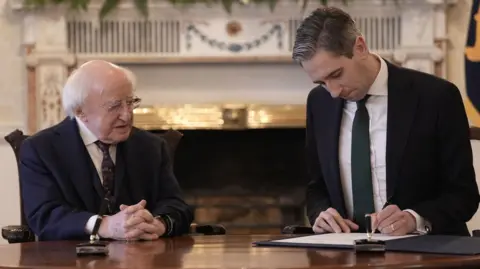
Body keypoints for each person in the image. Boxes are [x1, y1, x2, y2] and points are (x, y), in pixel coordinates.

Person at [293, 7, 480, 236]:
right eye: (321, 82)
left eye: (336, 74)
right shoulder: (318, 103)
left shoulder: (437, 97)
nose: (332, 92)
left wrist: (415, 219)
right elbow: (316, 188)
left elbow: (464, 196)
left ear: (360, 47)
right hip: (346, 255)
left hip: (429, 253)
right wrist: (320, 214)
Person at [19, 60, 194, 241]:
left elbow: (177, 206)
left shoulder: (151, 146)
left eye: (130, 102)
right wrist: (103, 225)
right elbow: (44, 216)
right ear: (80, 111)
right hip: (69, 261)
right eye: (114, 106)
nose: (127, 115)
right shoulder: (41, 150)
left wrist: (158, 224)